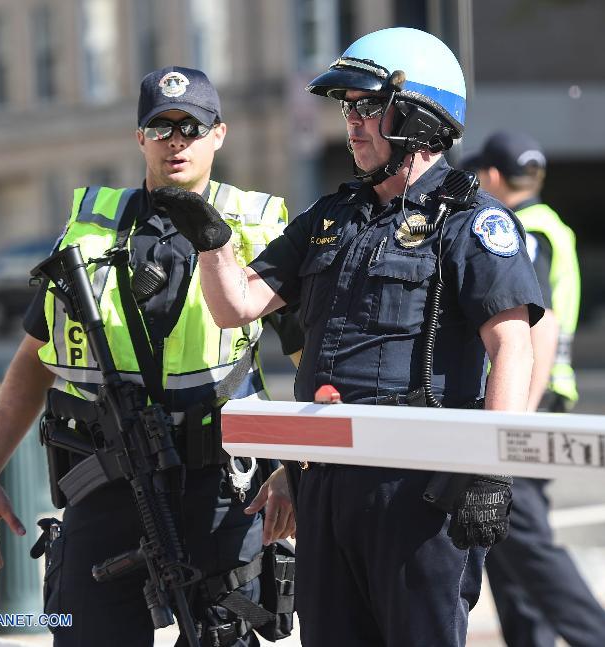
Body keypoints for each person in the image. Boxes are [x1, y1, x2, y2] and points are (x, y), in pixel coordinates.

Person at [151, 28, 545, 647]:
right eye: (347, 109)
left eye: (367, 107)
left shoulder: (475, 222)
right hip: (327, 481)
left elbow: (512, 346)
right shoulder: (333, 216)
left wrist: (491, 470)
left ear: (418, 116)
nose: (352, 124)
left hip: (415, 485)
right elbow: (236, 307)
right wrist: (213, 242)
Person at [0, 66, 301, 647]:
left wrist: (296, 471)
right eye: (161, 127)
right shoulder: (90, 231)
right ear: (139, 137)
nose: (176, 141)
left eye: (191, 127)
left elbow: (314, 360)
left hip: (223, 487)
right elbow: (35, 357)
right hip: (110, 477)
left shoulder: (256, 228)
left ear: (219, 135)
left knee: (224, 635)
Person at [465, 131, 605, 647]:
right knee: (502, 539)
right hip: (541, 398)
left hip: (527, 401)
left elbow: (538, 326)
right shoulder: (551, 225)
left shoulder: (522, 233)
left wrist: (513, 420)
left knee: (525, 544)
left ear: (493, 176)